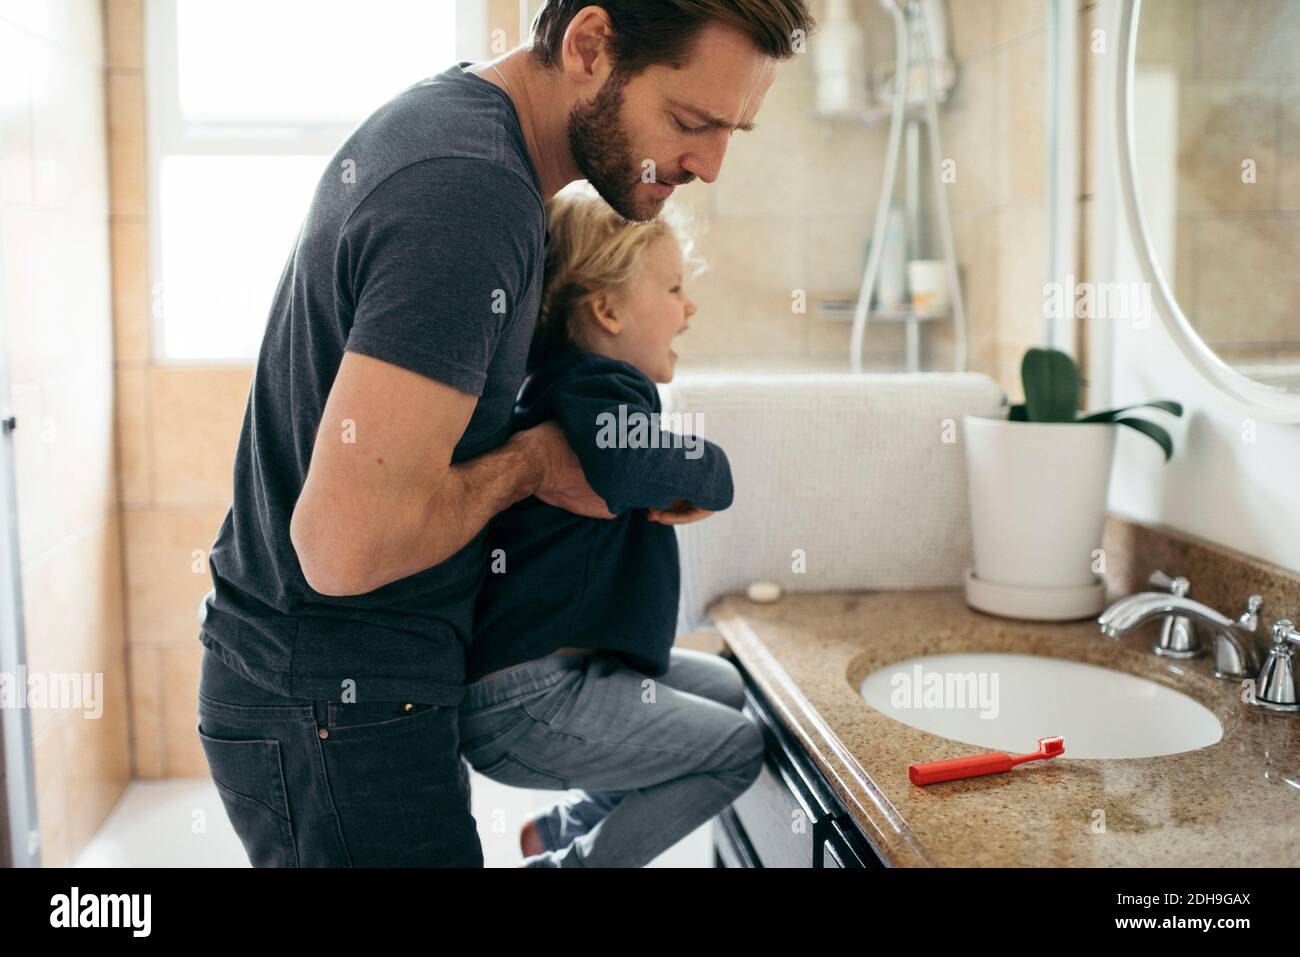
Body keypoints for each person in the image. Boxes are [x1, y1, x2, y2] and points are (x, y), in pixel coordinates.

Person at [195, 0, 815, 867]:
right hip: (333, 700)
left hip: (348, 687)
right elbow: (342, 549)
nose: (708, 165)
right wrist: (534, 462)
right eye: (689, 121)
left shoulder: (476, 159)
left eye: (731, 133)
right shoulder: (470, 191)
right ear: (590, 45)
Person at [462, 184, 760, 867]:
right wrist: (710, 472)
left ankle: (564, 823)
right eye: (675, 289)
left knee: (728, 687)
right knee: (737, 748)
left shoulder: (570, 384)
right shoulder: (596, 385)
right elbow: (626, 458)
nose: (690, 308)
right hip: (528, 701)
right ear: (607, 308)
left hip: (546, 680)